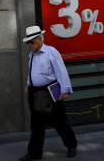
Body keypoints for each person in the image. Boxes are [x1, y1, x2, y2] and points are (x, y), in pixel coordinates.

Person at [19, 26, 77, 161]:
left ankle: (71, 146)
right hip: (35, 93)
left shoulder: (52, 52)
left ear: (40, 40)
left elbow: (61, 71)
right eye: (28, 42)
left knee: (60, 122)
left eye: (31, 42)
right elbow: (32, 70)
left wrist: (65, 90)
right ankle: (34, 153)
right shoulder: (32, 55)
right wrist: (29, 82)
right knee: (36, 125)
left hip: (51, 92)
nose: (29, 45)